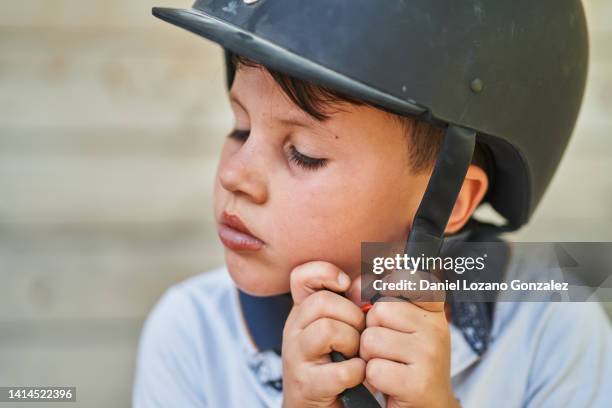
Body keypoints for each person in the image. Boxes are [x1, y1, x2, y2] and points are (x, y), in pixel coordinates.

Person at [133, 1, 612, 407]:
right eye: (240, 128)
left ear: (449, 202)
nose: (234, 175)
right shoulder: (193, 332)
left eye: (304, 154)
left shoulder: (552, 329)